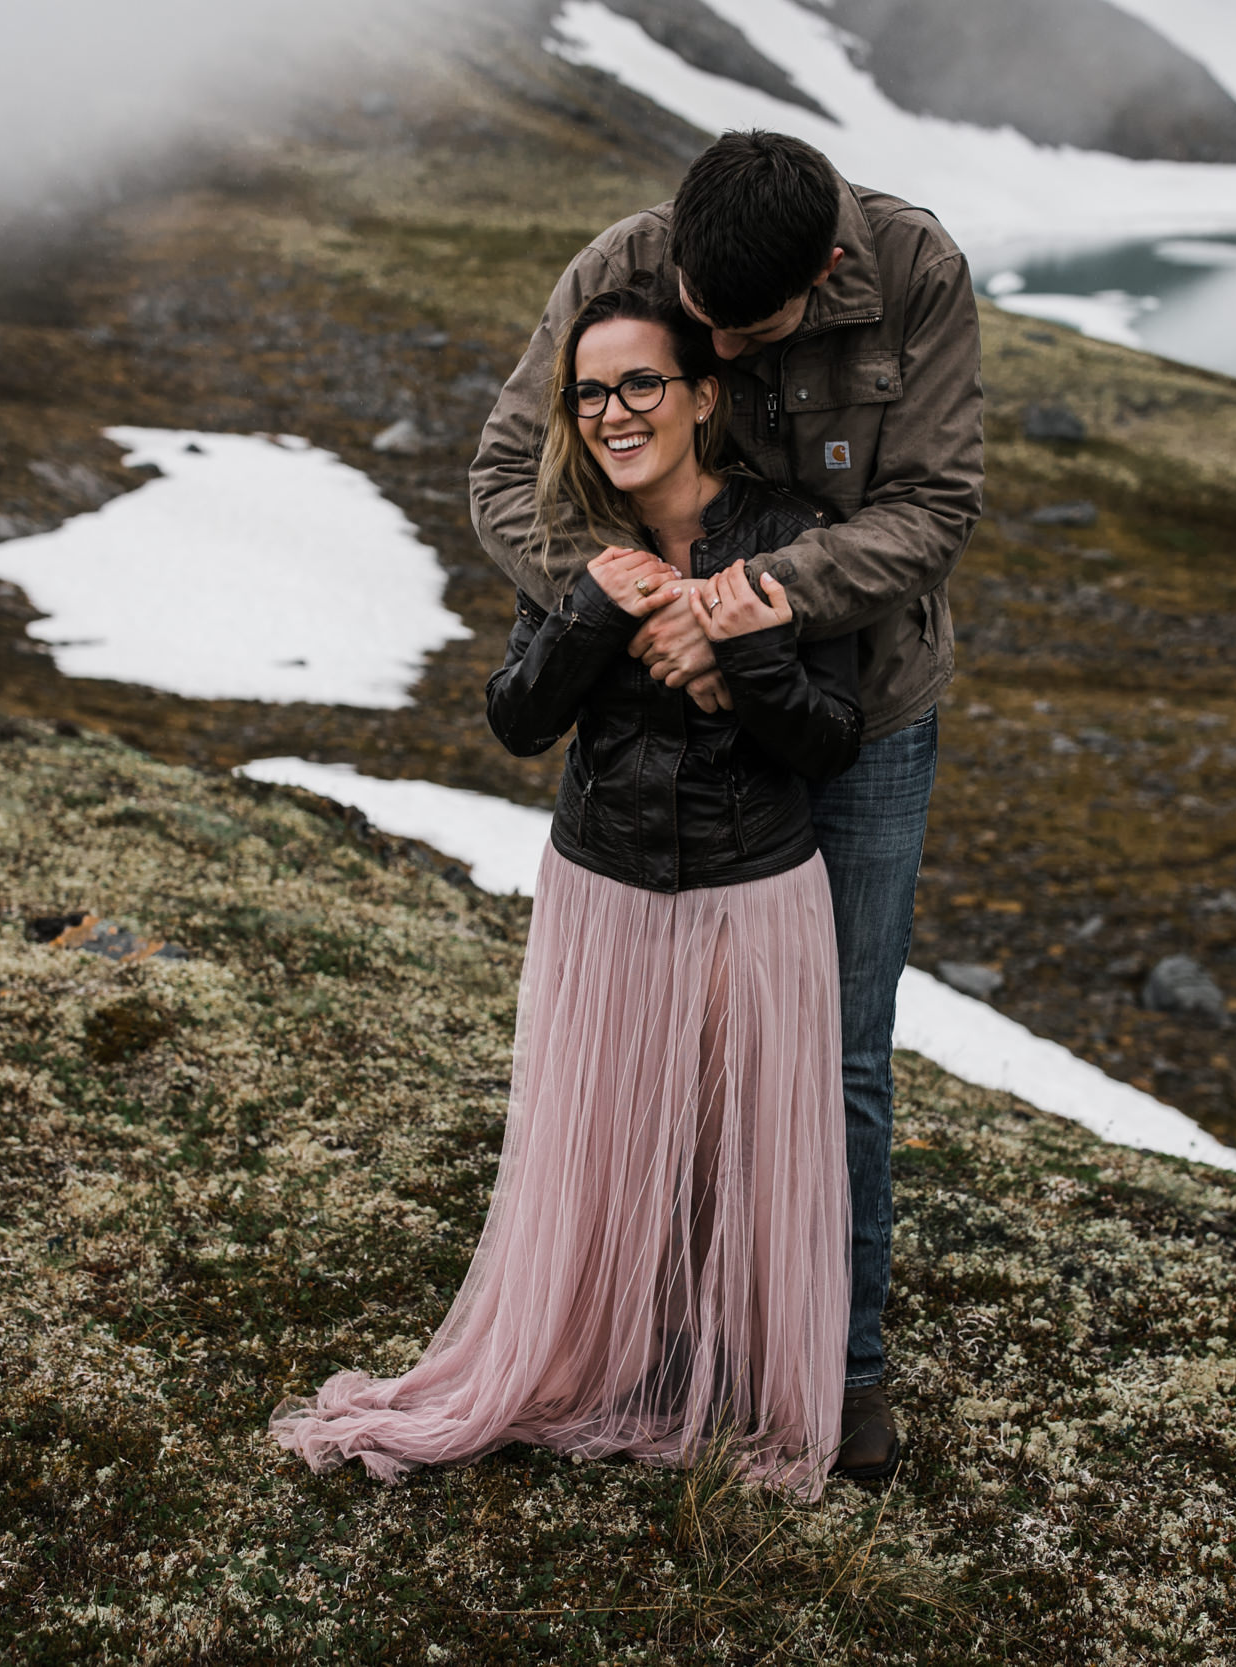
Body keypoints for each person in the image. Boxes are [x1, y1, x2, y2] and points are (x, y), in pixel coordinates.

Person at [272, 284, 861, 1499]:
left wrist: (747, 655)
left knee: (730, 1137)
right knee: (607, 1131)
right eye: (591, 392)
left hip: (754, 890)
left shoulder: (793, 534)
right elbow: (518, 717)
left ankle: (732, 1374)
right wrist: (592, 609)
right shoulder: (568, 537)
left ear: (704, 396)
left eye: (642, 383)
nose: (614, 411)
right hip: (604, 888)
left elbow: (829, 741)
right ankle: (614, 1357)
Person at [469, 130, 984, 1483]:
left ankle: (841, 1367)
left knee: (837, 1053)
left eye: (748, 333)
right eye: (703, 327)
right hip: (668, 706)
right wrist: (630, 598)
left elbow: (932, 505)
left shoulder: (917, 270)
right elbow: (504, 477)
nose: (726, 358)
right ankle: (673, 1331)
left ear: (823, 275)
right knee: (680, 1046)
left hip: (855, 705)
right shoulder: (627, 270)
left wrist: (748, 614)